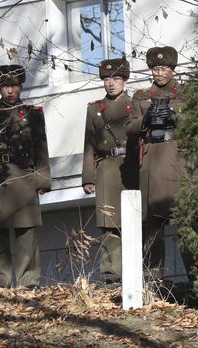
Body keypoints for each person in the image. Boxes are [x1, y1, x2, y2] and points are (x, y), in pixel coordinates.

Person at [0, 64, 51, 288]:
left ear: (20, 87)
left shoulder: (33, 114)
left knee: (27, 232)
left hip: (25, 175)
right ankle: (0, 283)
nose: (9, 91)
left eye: (14, 86)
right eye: (5, 86)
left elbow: (41, 147)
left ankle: (28, 282)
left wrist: (43, 179)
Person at [127, 46, 186, 280]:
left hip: (178, 161)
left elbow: (197, 122)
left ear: (172, 69)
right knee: (152, 228)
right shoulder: (141, 97)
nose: (159, 73)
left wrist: (177, 117)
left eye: (164, 68)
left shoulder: (186, 93)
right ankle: (154, 283)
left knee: (187, 223)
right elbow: (129, 127)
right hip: (151, 162)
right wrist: (146, 119)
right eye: (155, 68)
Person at [82, 58, 138, 284]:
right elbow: (88, 145)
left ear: (124, 80)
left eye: (116, 78)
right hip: (106, 169)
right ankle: (112, 276)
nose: (111, 84)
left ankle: (137, 274)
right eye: (106, 79)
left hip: (132, 166)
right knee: (109, 226)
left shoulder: (135, 105)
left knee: (134, 222)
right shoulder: (95, 109)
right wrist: (88, 177)